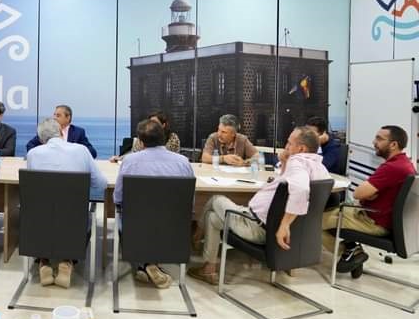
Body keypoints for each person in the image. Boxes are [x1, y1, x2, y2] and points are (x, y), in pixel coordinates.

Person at [189, 126, 331, 285]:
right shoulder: (319, 168)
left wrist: (284, 225)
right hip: (291, 234)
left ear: (301, 149)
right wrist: (284, 161)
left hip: (257, 226)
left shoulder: (297, 162)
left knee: (215, 199)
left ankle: (196, 236)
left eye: (289, 143)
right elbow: (289, 183)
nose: (286, 146)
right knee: (213, 218)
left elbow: (301, 189)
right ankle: (208, 269)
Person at [322, 125, 416, 275]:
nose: (374, 142)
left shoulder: (392, 167)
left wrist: (367, 194)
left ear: (393, 144)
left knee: (312, 223)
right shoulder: (405, 163)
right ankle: (352, 250)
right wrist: (369, 194)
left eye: (379, 139)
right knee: (327, 213)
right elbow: (365, 193)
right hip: (376, 217)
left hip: (372, 221)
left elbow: (358, 193)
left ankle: (350, 253)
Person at [26, 118, 107, 288]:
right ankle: (67, 261)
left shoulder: (33, 154)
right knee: (83, 216)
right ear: (61, 133)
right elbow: (101, 184)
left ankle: (44, 261)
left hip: (41, 220)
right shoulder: (82, 151)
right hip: (74, 219)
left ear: (41, 139)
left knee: (42, 213)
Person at [113, 119, 194, 288]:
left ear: (141, 142)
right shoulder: (183, 162)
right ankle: (149, 264)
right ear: (163, 138)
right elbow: (189, 200)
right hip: (172, 226)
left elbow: (118, 198)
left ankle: (145, 264)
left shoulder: (130, 161)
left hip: (136, 226)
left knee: (129, 219)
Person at [26, 105, 97, 158]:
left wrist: (76, 153)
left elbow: (92, 153)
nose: (54, 118)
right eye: (54, 115)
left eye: (58, 115)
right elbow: (30, 145)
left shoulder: (78, 132)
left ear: (68, 117)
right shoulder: (48, 129)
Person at [110, 111, 180, 162]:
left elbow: (164, 155)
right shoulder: (143, 137)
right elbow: (135, 153)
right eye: (150, 123)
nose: (153, 125)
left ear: (163, 125)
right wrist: (120, 158)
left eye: (155, 123)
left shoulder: (173, 138)